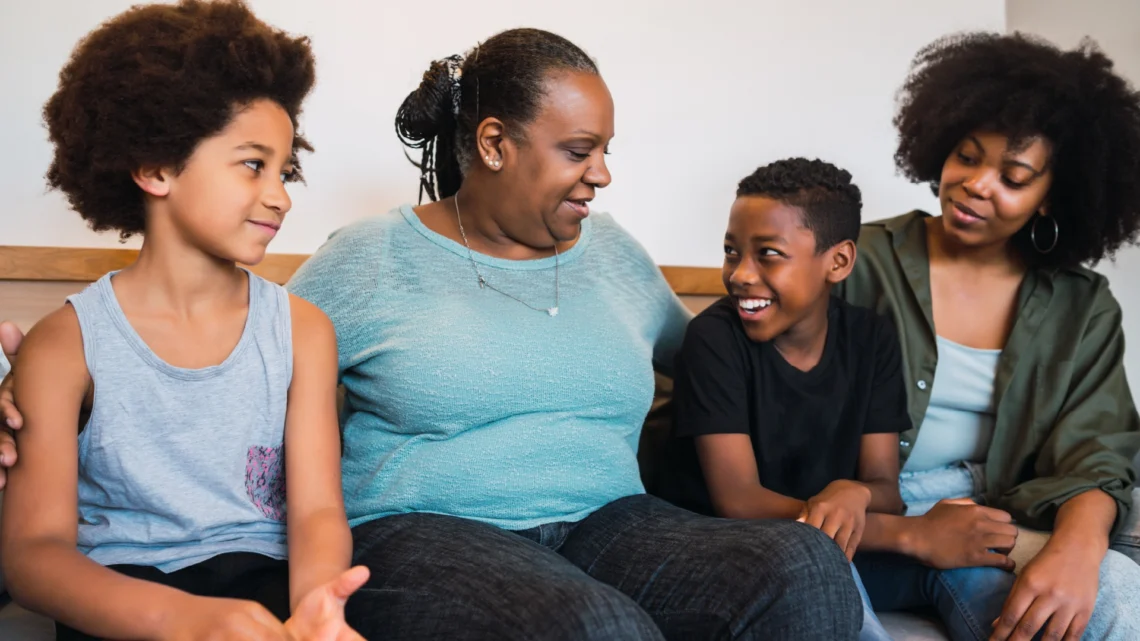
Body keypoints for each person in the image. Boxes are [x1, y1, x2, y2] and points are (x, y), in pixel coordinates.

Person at [287, 29, 859, 640]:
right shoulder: (370, 257)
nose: (603, 174)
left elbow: (713, 361)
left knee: (806, 564)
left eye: (605, 151)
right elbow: (252, 373)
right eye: (579, 151)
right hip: (425, 530)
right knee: (595, 624)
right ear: (494, 144)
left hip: (610, 523)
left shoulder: (610, 252)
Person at [0, 2, 366, 639]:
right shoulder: (63, 346)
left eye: (286, 171)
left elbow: (315, 512)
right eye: (253, 164)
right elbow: (33, 553)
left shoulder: (303, 330)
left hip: (267, 585)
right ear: (156, 168)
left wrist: (316, 607)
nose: (280, 195)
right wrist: (182, 620)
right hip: (121, 596)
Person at [837, 32, 1140, 641]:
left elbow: (1098, 452)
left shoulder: (1081, 307)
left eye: (1014, 175)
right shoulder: (856, 260)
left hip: (1004, 508)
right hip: (867, 507)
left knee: (1120, 596)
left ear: (1051, 196)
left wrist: (1079, 551)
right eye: (967, 157)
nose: (977, 183)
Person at [655, 158, 1023, 641]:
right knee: (827, 567)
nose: (740, 273)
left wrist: (858, 492)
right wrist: (913, 535)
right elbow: (738, 501)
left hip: (838, 534)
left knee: (980, 580)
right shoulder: (714, 340)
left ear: (839, 261)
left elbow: (885, 488)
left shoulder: (871, 339)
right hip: (742, 551)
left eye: (767, 253)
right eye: (731, 251)